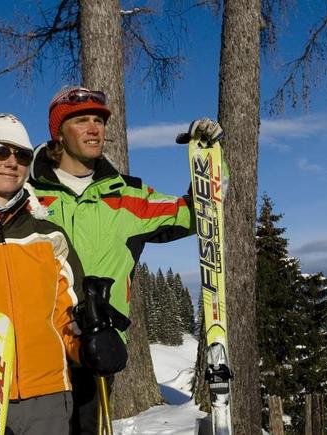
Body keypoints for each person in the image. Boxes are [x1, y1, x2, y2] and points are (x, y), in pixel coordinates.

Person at [29, 85, 223, 434]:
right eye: (81, 120)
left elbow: (196, 213)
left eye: (99, 121)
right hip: (39, 346)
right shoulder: (30, 196)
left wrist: (209, 159)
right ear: (58, 132)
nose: (94, 129)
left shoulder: (128, 196)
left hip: (97, 348)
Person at [0, 113, 87, 434]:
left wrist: (90, 347)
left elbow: (67, 317)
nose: (12, 161)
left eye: (22, 155)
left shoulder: (48, 235)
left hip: (47, 396)